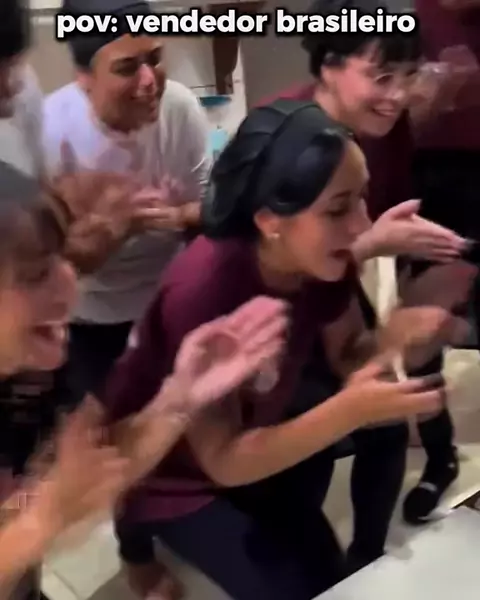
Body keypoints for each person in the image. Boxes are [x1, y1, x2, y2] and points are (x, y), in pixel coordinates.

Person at [97, 100, 469, 600]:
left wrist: (397, 336)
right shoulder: (204, 290)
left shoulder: (322, 260)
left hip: (257, 424)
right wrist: (349, 410)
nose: (363, 226)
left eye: (362, 198)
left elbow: (347, 355)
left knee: (326, 574)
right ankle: (137, 544)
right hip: (174, 471)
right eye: (338, 208)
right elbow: (223, 461)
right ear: (270, 219)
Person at [0, 159, 287, 599]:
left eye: (63, 257)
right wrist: (41, 520)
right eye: (37, 275)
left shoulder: (29, 376)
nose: (69, 283)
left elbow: (77, 473)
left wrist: (179, 399)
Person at [266, 0, 471, 530]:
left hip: (333, 291)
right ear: (329, 64)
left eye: (407, 75)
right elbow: (263, 267)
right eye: (382, 77)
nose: (399, 95)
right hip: (275, 318)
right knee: (301, 461)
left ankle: (370, 550)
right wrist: (370, 245)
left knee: (384, 420)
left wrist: (402, 280)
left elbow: (385, 212)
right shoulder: (279, 130)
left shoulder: (386, 131)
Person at [41, 0, 212, 403]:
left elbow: (213, 212)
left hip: (172, 303)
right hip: (89, 323)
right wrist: (116, 228)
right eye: (126, 67)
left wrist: (177, 216)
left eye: (155, 58)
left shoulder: (180, 108)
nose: (149, 80)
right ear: (84, 78)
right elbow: (47, 270)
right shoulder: (50, 133)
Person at [400, 0, 480, 524]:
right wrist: (422, 99)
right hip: (432, 178)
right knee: (423, 325)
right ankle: (439, 455)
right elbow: (382, 115)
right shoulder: (406, 13)